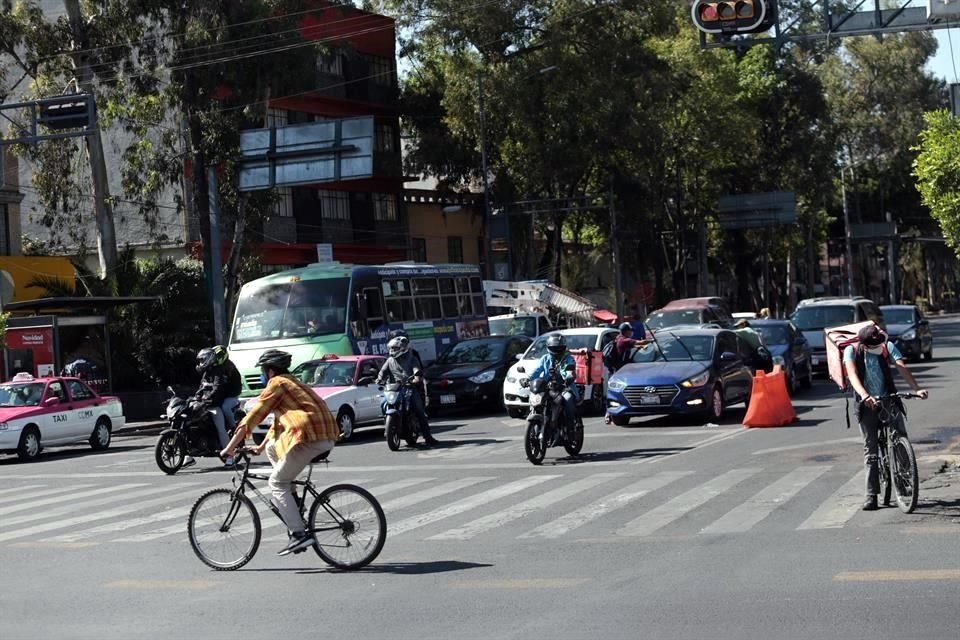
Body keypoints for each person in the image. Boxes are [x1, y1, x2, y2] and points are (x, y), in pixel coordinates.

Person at [221, 349, 340, 556]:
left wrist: (229, 448)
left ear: (270, 371)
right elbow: (277, 425)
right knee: (271, 448)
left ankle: (298, 535)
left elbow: (252, 418)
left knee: (276, 483)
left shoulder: (276, 384)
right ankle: (293, 501)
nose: (262, 374)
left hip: (309, 438)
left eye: (263, 370)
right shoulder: (293, 382)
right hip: (325, 436)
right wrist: (258, 447)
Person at [843, 324, 928, 512]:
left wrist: (916, 389)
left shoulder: (887, 345)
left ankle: (905, 484)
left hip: (888, 398)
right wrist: (865, 396)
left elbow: (901, 367)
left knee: (900, 437)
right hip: (866, 403)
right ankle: (871, 495)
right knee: (871, 449)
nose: (878, 348)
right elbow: (852, 375)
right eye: (873, 347)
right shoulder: (852, 351)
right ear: (863, 344)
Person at [376, 335, 439, 446]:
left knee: (420, 411)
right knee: (383, 403)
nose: (392, 351)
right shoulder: (390, 360)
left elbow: (417, 370)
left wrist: (416, 378)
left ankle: (428, 437)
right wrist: (379, 378)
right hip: (394, 389)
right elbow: (382, 371)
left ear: (402, 348)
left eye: (395, 348)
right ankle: (387, 424)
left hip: (409, 388)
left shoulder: (412, 358)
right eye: (391, 348)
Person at [191, 345, 242, 466]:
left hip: (220, 401)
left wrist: (209, 399)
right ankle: (188, 455)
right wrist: (196, 398)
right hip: (208, 403)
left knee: (221, 427)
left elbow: (218, 388)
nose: (201, 363)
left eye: (203, 360)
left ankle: (230, 455)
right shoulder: (207, 372)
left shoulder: (221, 370)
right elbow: (202, 387)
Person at [527, 334, 578, 437]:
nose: (557, 350)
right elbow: (536, 371)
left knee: (567, 399)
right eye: (554, 348)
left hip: (564, 387)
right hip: (548, 388)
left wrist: (568, 377)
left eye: (559, 348)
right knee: (538, 398)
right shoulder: (545, 359)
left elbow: (570, 371)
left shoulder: (568, 359)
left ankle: (570, 427)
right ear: (549, 348)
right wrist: (528, 379)